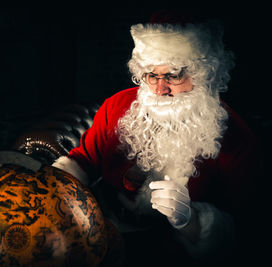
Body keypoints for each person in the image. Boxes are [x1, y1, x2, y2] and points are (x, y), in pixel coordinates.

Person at [52, 12, 262, 265]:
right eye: (151, 75)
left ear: (204, 73)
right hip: (102, 230)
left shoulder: (237, 138)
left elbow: (247, 232)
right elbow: (82, 161)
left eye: (173, 75)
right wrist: (45, 190)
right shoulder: (117, 105)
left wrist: (192, 221)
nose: (160, 89)